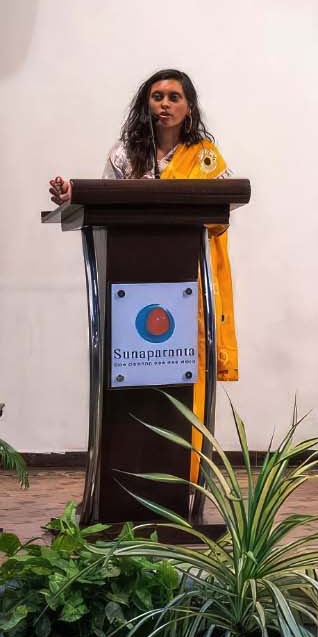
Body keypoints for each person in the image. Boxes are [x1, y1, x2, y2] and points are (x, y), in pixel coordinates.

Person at [48, 68, 240, 393]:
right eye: (157, 97)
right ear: (146, 104)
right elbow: (105, 201)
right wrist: (75, 193)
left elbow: (221, 215)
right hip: (134, 280)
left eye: (174, 98)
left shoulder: (205, 156)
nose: (164, 104)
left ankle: (189, 445)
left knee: (183, 370)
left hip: (186, 279)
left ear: (189, 107)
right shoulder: (124, 155)